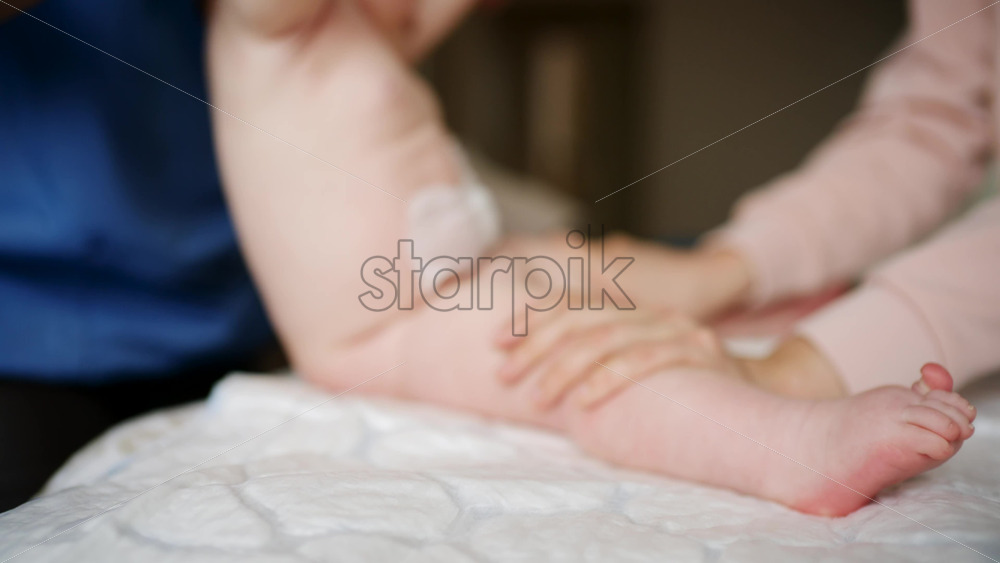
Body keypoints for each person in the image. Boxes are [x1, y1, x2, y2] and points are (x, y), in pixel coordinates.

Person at [210, 0, 978, 516]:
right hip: (384, 326)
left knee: (599, 265)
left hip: (465, 259)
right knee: (569, 355)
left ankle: (748, 310)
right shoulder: (266, 27)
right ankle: (784, 445)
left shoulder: (363, 25)